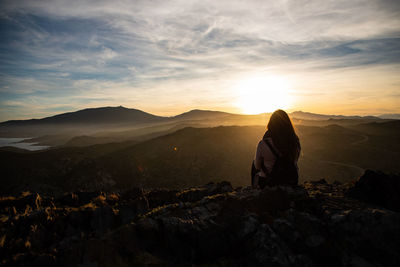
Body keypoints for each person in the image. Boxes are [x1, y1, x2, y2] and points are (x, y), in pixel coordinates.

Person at [252, 109, 301, 188]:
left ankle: (254, 189)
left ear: (271, 123)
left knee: (254, 164)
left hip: (269, 182)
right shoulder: (294, 141)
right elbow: (295, 160)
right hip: (290, 181)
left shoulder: (263, 143)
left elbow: (257, 166)